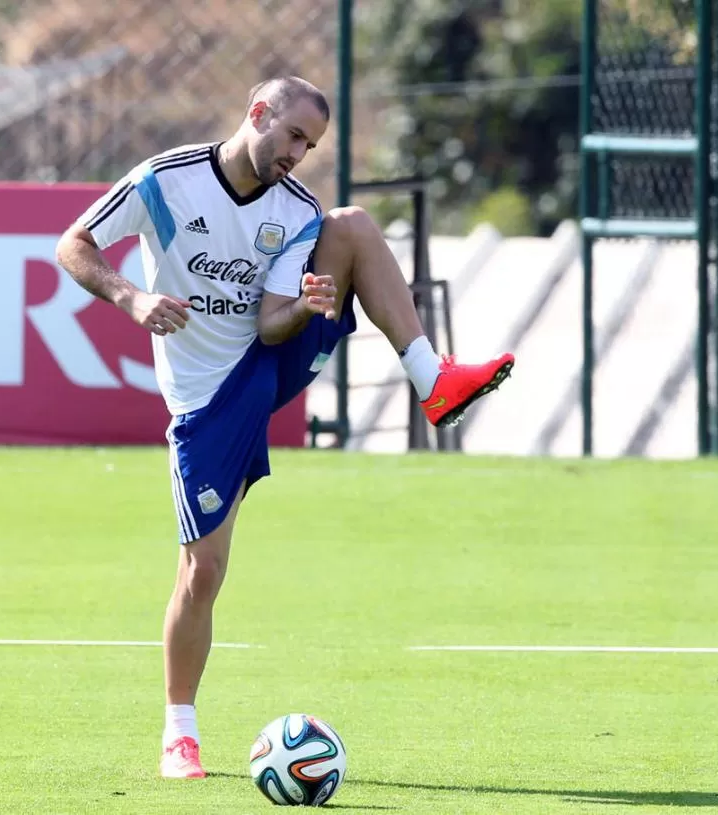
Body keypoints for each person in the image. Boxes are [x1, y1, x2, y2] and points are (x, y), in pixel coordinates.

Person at [55, 75, 515, 779]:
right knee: (203, 570)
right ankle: (180, 729)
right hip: (207, 398)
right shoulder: (166, 180)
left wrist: (305, 305)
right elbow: (73, 243)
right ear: (258, 114)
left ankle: (433, 378)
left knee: (353, 226)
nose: (300, 153)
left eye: (312, 144)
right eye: (295, 135)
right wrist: (132, 296)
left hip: (271, 354)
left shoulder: (297, 207)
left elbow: (271, 320)